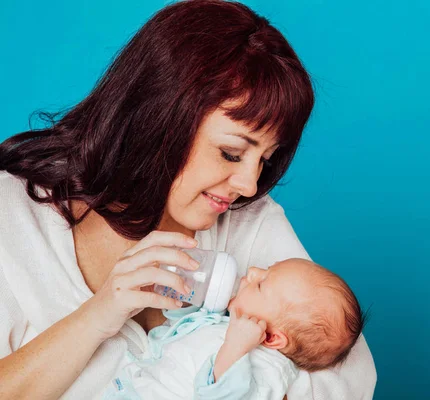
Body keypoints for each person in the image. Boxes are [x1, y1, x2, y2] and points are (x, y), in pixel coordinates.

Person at [0, 1, 376, 399]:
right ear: (157, 117)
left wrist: (245, 382)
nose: (249, 185)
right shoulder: (13, 218)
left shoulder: (248, 220)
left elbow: (347, 376)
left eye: (264, 159)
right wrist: (99, 315)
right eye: (232, 153)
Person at [102, 258, 366, 399]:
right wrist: (185, 300)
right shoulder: (228, 322)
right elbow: (184, 329)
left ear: (272, 338)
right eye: (266, 268)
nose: (252, 270)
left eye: (262, 283)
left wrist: (236, 347)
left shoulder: (268, 370)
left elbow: (223, 394)